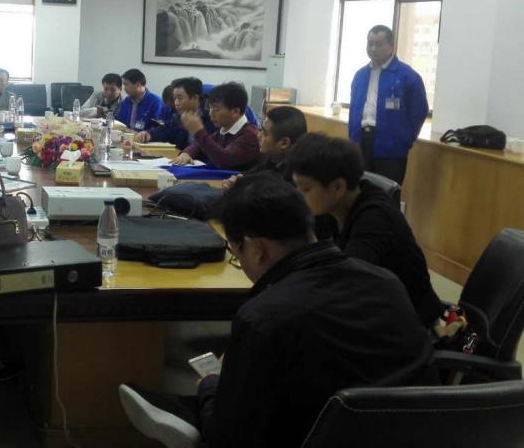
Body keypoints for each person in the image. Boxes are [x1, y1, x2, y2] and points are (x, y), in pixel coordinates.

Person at [118, 174, 434, 448]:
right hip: (417, 433)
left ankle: (189, 412)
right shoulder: (386, 281)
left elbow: (231, 437)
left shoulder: (264, 318)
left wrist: (211, 383)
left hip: (308, 435)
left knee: (214, 399)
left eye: (236, 252)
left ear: (256, 249)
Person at [289, 133, 443, 327]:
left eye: (305, 189)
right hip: (371, 310)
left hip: (410, 326)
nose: (298, 195)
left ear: (338, 187)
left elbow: (346, 284)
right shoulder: (332, 205)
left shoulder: (376, 219)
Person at [349, 25, 429, 185]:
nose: (373, 49)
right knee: (360, 190)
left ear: (392, 46)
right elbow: (353, 109)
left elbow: (419, 111)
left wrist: (405, 138)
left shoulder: (407, 76)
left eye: (379, 44)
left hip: (391, 147)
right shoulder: (360, 75)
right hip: (361, 142)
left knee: (387, 191)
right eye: (370, 43)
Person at [173, 82, 260, 170]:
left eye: (217, 109)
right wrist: (186, 153)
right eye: (210, 107)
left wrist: (198, 131)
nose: (211, 113)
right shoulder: (225, 129)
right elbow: (199, 145)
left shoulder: (250, 135)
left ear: (235, 112)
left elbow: (224, 160)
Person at [222, 105, 308, 188]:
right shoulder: (273, 159)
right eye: (260, 130)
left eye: (265, 133)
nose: (258, 135)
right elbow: (249, 176)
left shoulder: (298, 177)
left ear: (284, 143)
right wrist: (238, 181)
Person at [136, 77, 215, 149]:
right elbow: (166, 130)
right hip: (182, 158)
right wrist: (149, 134)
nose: (176, 103)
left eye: (180, 98)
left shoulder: (212, 118)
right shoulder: (178, 117)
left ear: (195, 98)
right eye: (175, 98)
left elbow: (209, 147)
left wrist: (188, 153)